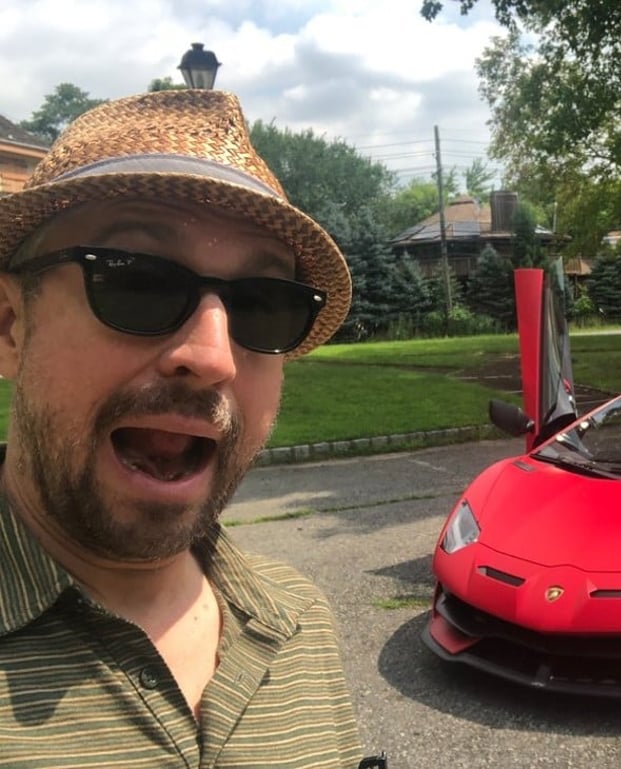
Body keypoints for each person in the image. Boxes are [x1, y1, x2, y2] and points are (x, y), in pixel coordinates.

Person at [0, 89, 370, 767]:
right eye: (137, 280)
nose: (211, 355)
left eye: (263, 305)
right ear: (10, 325)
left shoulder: (300, 624)